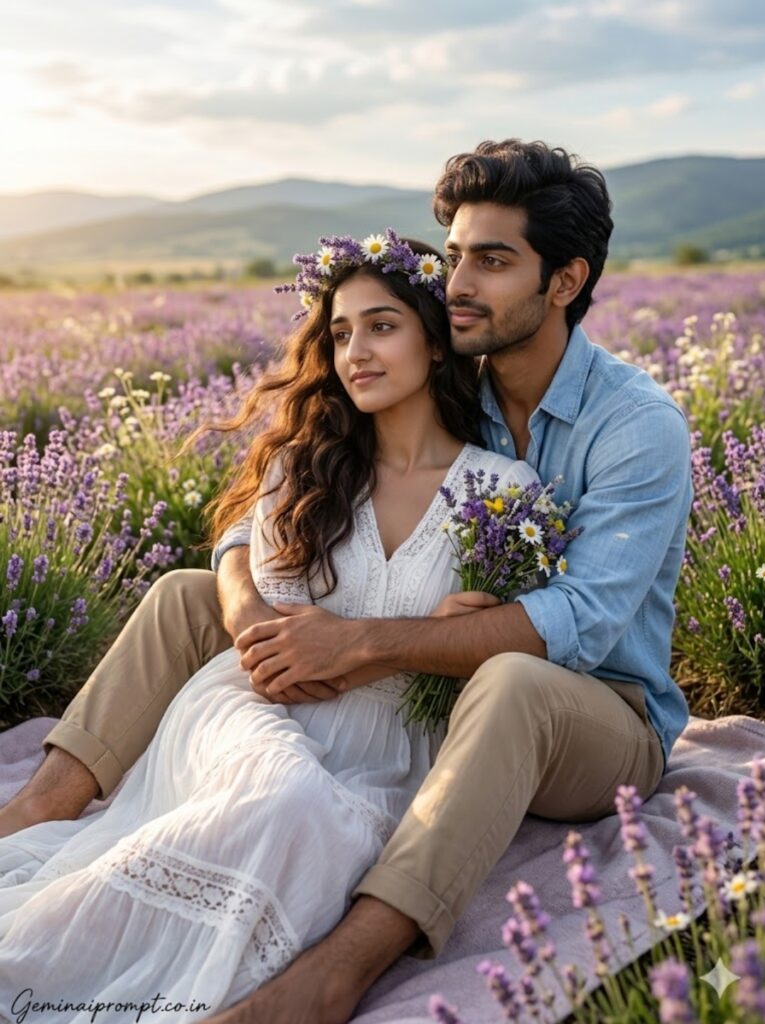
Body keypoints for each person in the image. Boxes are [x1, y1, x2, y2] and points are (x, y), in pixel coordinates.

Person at [0, 139, 693, 1024]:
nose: (460, 284)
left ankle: (340, 970)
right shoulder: (453, 379)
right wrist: (252, 611)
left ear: (564, 282)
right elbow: (273, 510)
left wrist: (368, 642)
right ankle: (41, 807)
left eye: (494, 260)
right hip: (447, 687)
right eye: (453, 259)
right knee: (184, 593)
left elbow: (585, 622)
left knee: (512, 678)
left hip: (599, 717)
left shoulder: (636, 425)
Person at [0, 234, 538, 1020]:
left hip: (387, 750)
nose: (355, 350)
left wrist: (427, 634)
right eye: (342, 332)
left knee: (318, 822)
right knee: (282, 795)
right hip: (255, 704)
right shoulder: (310, 461)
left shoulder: (502, 492)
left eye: (382, 326)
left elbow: (493, 643)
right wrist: (252, 610)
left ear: (434, 334)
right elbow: (247, 565)